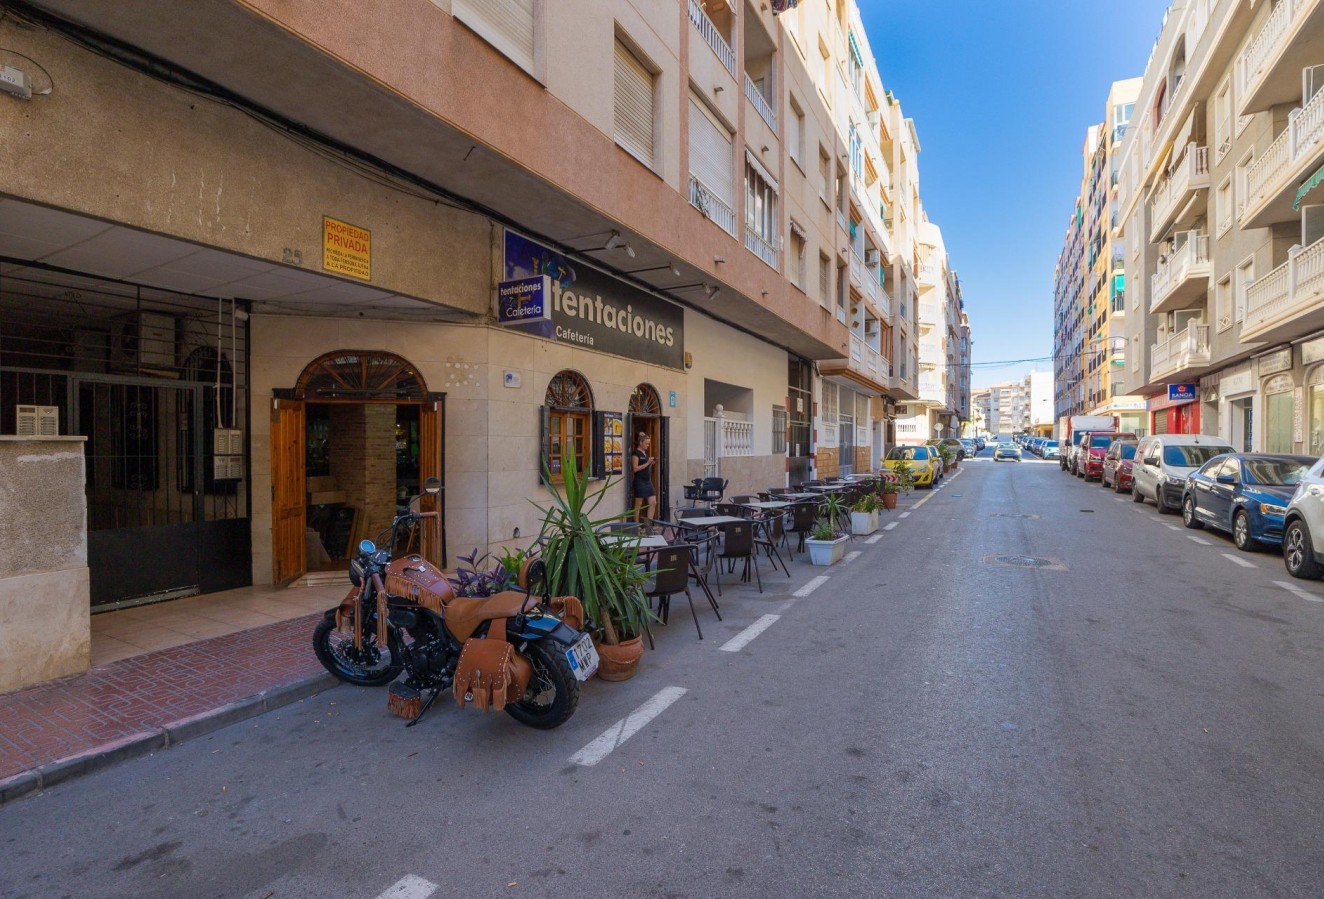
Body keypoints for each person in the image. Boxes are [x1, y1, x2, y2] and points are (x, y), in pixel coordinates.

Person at [631, 432, 657, 524]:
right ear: (641, 443)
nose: (648, 445)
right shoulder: (635, 453)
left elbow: (645, 466)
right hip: (639, 481)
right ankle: (636, 525)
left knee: (653, 502)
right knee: (638, 504)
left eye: (648, 443)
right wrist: (647, 463)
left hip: (648, 481)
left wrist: (650, 463)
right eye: (646, 443)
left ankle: (648, 525)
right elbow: (635, 469)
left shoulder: (645, 453)